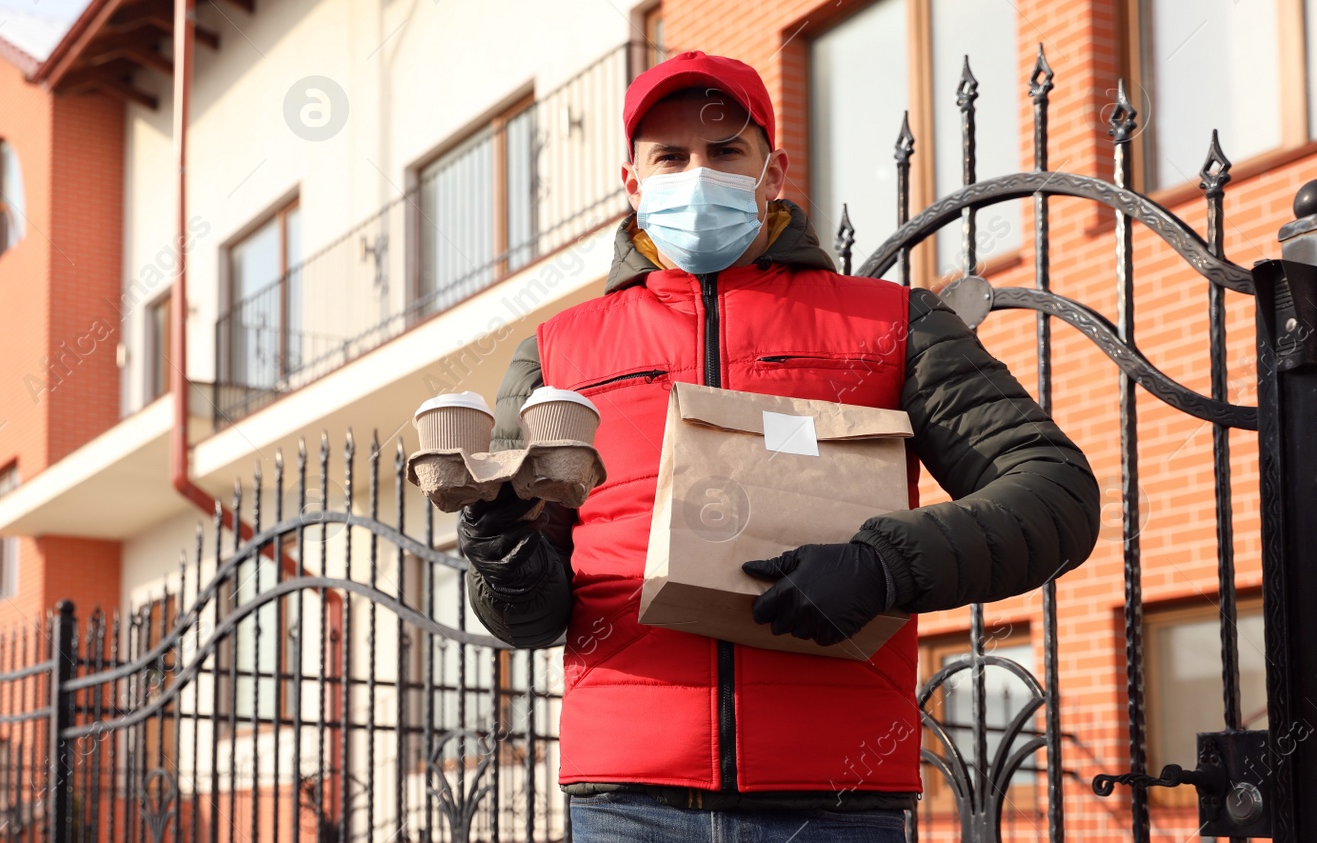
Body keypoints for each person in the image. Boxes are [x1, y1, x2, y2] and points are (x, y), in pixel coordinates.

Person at [458, 51, 1100, 840]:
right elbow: (529, 617)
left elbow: (1057, 492)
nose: (698, 173)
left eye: (725, 151)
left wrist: (882, 563)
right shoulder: (557, 353)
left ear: (773, 172)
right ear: (633, 182)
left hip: (835, 801)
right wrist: (502, 554)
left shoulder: (893, 323)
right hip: (628, 803)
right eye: (670, 156)